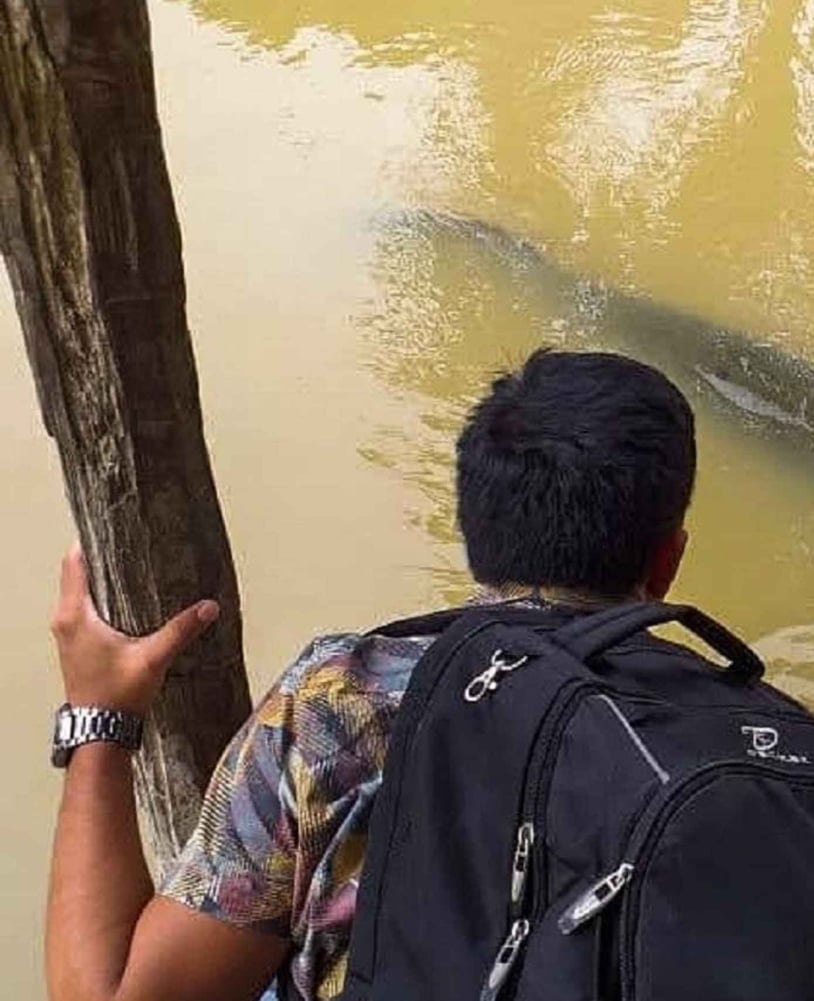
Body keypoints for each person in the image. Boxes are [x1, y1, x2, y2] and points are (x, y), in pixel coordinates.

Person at [44, 350, 697, 1001]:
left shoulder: (346, 702)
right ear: (668, 561)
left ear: (473, 532)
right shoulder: (744, 736)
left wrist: (99, 716)